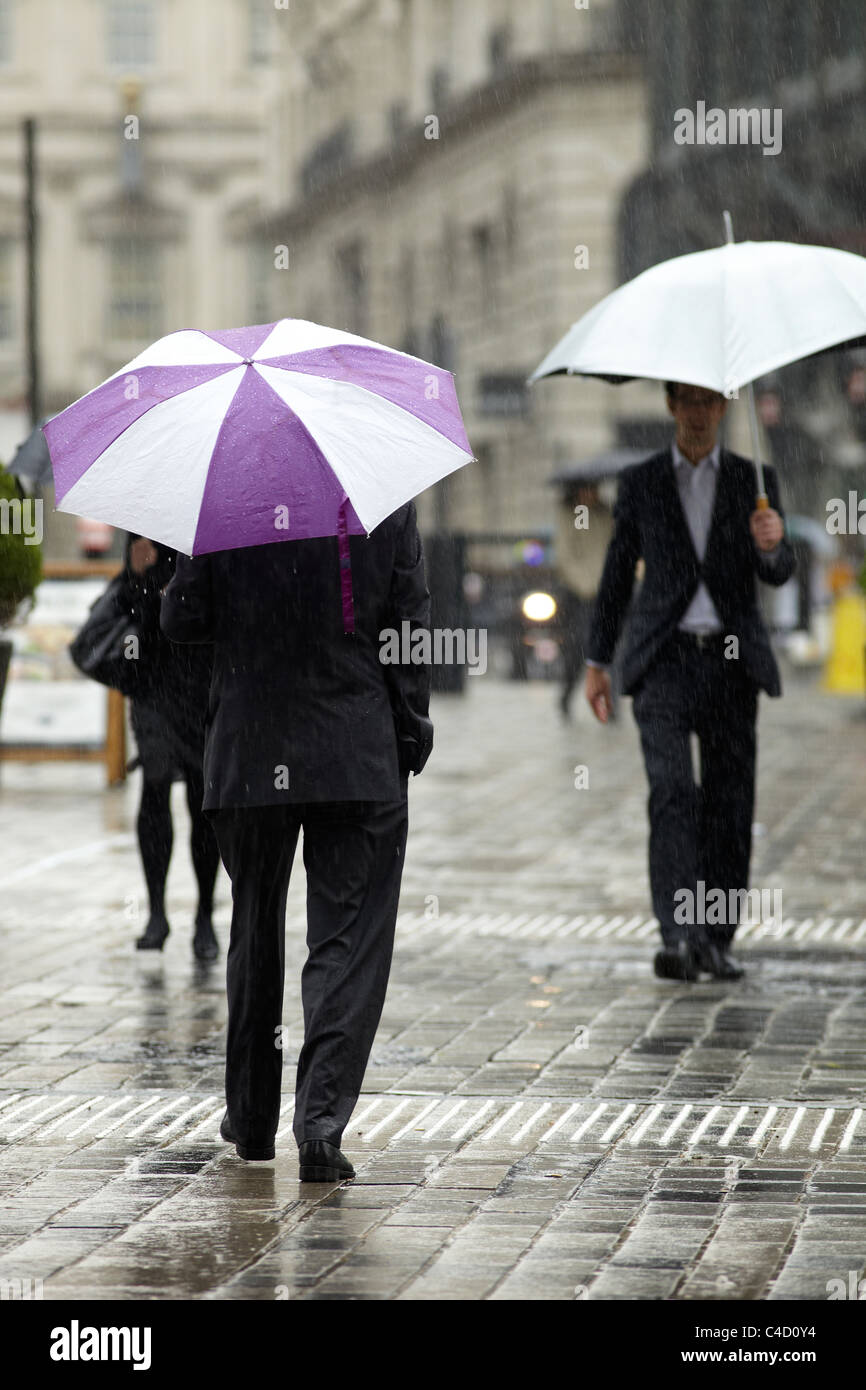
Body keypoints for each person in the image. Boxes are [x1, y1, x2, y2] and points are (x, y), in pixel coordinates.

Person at [160, 502, 432, 1181]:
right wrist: (409, 726)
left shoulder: (229, 498)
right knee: (346, 939)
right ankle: (318, 1125)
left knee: (253, 929)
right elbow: (408, 628)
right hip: (353, 743)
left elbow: (180, 618)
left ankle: (252, 1121)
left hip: (251, 745)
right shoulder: (378, 494)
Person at [584, 382, 795, 982]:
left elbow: (778, 573)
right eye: (689, 402)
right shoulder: (643, 480)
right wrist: (598, 661)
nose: (700, 414)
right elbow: (617, 572)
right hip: (665, 663)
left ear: (723, 408)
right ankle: (678, 933)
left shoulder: (755, 482)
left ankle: (717, 939)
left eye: (710, 403)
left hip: (732, 664)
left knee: (730, 803)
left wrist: (774, 547)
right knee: (672, 793)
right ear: (673, 407)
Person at [121, 535, 219, 960]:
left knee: (203, 796)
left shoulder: (216, 523)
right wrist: (138, 578)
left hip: (201, 684)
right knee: (155, 782)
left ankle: (203, 917)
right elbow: (131, 615)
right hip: (154, 686)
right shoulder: (144, 520)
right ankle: (156, 912)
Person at [555, 481, 615, 719]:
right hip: (581, 594)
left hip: (608, 592)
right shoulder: (569, 515)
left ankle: (612, 706)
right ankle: (567, 694)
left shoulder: (606, 513)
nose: (592, 494)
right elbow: (565, 557)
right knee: (579, 646)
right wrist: (586, 585)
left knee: (612, 647)